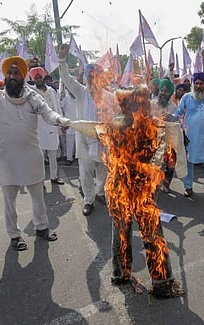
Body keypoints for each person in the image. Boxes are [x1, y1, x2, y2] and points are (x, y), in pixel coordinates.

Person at [68, 86, 186, 299]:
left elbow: (164, 148)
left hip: (124, 187)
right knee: (147, 233)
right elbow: (161, 148)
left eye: (144, 101)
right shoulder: (136, 124)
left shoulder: (128, 123)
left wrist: (167, 125)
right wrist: (166, 125)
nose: (146, 105)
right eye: (141, 101)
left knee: (123, 230)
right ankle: (160, 282)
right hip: (131, 187)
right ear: (131, 104)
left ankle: (122, 274)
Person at [0, 45, 70, 250]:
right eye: (9, 72)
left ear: (22, 75)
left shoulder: (33, 98)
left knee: (38, 197)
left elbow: (49, 114)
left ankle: (41, 227)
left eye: (15, 72)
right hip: (7, 158)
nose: (11, 76)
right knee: (9, 201)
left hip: (31, 156)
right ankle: (14, 235)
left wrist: (61, 120)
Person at [58, 43, 116, 216]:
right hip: (84, 139)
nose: (91, 79)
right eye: (89, 76)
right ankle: (88, 200)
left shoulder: (109, 97)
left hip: (103, 140)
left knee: (103, 173)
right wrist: (62, 59)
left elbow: (115, 118)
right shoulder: (81, 92)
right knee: (85, 174)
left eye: (95, 76)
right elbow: (66, 78)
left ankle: (100, 193)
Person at [169, 72, 204, 197]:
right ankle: (188, 187)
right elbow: (179, 112)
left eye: (201, 83)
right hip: (189, 136)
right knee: (189, 162)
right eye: (196, 83)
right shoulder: (187, 97)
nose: (198, 86)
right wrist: (171, 117)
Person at [30, 66, 64, 185]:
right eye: (36, 77)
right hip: (38, 127)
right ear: (34, 79)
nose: (38, 79)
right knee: (40, 157)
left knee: (53, 154)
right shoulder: (31, 91)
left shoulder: (52, 91)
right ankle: (41, 180)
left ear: (43, 77)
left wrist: (61, 123)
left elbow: (57, 108)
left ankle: (54, 177)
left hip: (51, 126)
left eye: (39, 76)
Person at [150, 78, 178, 193]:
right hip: (154, 138)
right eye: (162, 90)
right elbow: (147, 118)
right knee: (154, 162)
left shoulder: (174, 107)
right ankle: (154, 183)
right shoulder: (152, 103)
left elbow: (177, 122)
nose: (163, 93)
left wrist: (171, 118)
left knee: (170, 164)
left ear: (170, 93)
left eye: (166, 91)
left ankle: (166, 184)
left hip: (169, 138)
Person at [60, 86, 77, 165]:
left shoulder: (79, 97)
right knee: (69, 141)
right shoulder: (65, 98)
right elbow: (60, 106)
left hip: (79, 123)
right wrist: (61, 98)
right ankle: (69, 158)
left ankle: (77, 156)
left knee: (79, 141)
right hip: (69, 123)